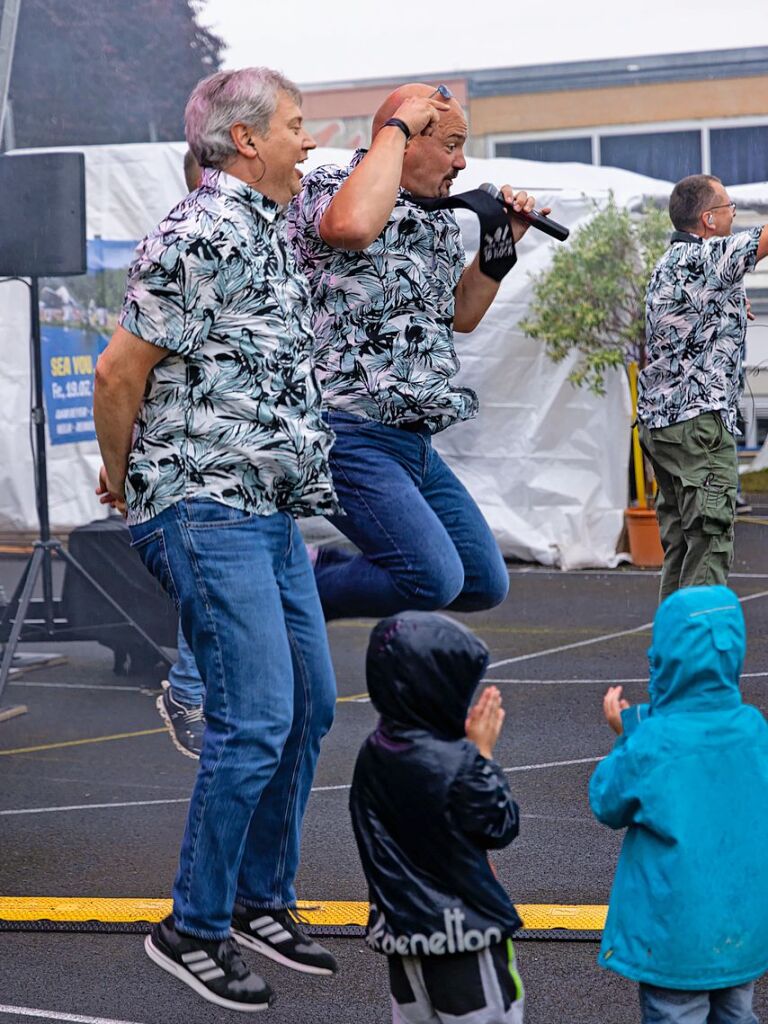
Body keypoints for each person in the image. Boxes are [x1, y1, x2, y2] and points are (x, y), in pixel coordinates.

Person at [93, 67, 340, 1011]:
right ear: (245, 140)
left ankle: (258, 901)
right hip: (204, 504)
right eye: (295, 127)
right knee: (254, 721)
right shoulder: (201, 232)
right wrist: (124, 480)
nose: (306, 142)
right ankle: (190, 926)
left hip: (264, 509)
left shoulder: (268, 232)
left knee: (309, 706)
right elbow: (119, 371)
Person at [287, 83, 542, 621]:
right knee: (431, 576)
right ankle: (291, 584)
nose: (462, 161)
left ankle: (305, 575)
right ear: (408, 138)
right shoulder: (330, 185)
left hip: (413, 439)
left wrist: (503, 239)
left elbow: (462, 314)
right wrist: (396, 125)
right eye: (451, 144)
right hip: (348, 429)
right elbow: (350, 227)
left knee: (481, 582)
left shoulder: (438, 217)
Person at [589, 585, 768, 1024]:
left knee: (675, 1014)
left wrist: (628, 731)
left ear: (664, 658)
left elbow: (606, 800)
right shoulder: (753, 729)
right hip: (740, 929)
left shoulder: (653, 741)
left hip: (672, 937)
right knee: (736, 1011)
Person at [350, 611, 524, 1024]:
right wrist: (481, 756)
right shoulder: (460, 762)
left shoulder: (374, 753)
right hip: (464, 936)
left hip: (403, 932)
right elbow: (499, 823)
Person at [637, 174, 768, 601]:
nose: (734, 214)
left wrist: (731, 304)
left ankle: (672, 659)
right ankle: (697, 662)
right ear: (709, 220)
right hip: (698, 427)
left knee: (681, 547)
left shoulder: (670, 262)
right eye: (729, 207)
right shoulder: (708, 256)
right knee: (709, 542)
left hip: (662, 425)